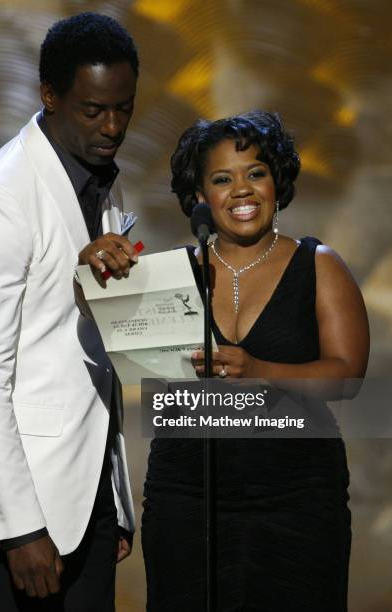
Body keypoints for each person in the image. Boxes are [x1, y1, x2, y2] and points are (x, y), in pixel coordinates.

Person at [0, 12, 140, 612]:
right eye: (94, 110)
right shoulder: (0, 197)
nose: (113, 126)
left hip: (87, 491)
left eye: (124, 108)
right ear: (49, 95)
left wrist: (114, 501)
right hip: (14, 515)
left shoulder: (101, 178)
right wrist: (20, 529)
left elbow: (86, 350)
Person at [142, 111, 369, 611]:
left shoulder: (318, 263)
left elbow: (347, 375)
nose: (241, 189)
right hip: (186, 498)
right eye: (222, 179)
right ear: (200, 196)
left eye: (256, 173)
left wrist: (262, 370)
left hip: (296, 499)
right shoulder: (173, 273)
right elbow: (103, 324)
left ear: (276, 181)